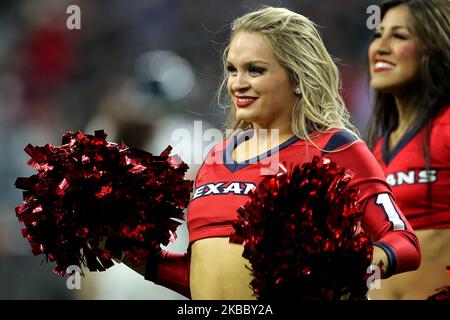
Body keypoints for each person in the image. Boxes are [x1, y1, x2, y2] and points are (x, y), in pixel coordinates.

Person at [120, 6, 420, 300]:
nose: (238, 83)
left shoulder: (335, 148)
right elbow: (203, 278)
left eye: (255, 70)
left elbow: (404, 242)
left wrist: (353, 264)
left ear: (297, 75)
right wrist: (130, 252)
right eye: (232, 70)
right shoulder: (215, 158)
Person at [366, 0, 450, 300]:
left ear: (433, 48)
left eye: (399, 36)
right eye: (377, 35)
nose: (380, 47)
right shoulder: (373, 152)